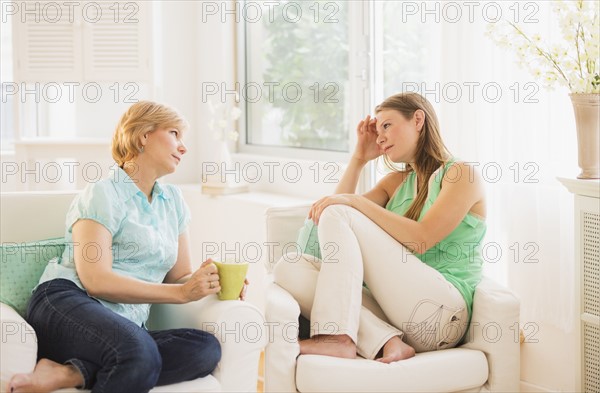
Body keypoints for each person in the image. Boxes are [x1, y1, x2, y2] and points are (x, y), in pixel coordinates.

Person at [9, 101, 247, 392]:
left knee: (205, 348)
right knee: (139, 354)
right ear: (143, 135)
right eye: (174, 133)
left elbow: (179, 276)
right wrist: (181, 293)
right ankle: (102, 362)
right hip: (66, 303)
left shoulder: (173, 201)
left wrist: (209, 280)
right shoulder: (103, 193)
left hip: (124, 325)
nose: (183, 147)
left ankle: (74, 373)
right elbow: (96, 280)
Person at [274, 92, 486, 363]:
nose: (380, 136)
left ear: (418, 119)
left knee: (343, 210)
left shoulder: (461, 175)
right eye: (378, 129)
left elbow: (422, 238)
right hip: (397, 318)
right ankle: (386, 340)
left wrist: (352, 202)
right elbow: (327, 215)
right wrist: (359, 159)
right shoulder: (396, 182)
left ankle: (337, 338)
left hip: (441, 314)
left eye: (387, 125)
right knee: (288, 266)